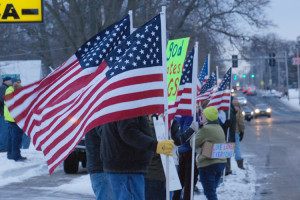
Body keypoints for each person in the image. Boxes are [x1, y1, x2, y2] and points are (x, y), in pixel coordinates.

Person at [100, 116, 174, 200]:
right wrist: (155, 145)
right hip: (127, 169)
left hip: (123, 167)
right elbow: (128, 132)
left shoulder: (123, 106)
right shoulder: (128, 106)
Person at [191, 106, 227, 200]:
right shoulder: (219, 128)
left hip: (208, 164)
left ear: (207, 117)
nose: (201, 116)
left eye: (203, 115)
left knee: (210, 194)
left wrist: (195, 130)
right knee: (212, 191)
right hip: (221, 163)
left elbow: (193, 143)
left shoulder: (205, 129)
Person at [172, 113, 200, 200]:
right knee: (190, 180)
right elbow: (185, 130)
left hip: (180, 150)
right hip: (189, 150)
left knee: (181, 178)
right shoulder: (189, 113)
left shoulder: (177, 111)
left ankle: (176, 197)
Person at [85, 126, 113, 200]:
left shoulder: (94, 119)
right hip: (101, 168)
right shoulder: (99, 121)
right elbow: (108, 138)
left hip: (98, 168)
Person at [5, 83, 27, 161]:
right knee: (16, 139)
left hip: (10, 119)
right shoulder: (14, 95)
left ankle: (10, 154)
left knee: (11, 138)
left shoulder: (8, 91)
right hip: (15, 119)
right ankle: (16, 156)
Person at [13, 79, 31, 149]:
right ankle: (25, 148)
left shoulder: (13, 95)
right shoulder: (22, 95)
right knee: (25, 133)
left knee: (19, 134)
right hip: (23, 117)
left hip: (17, 118)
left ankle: (21, 147)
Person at [232, 98, 246, 169]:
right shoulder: (239, 111)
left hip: (229, 132)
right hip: (236, 131)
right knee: (237, 147)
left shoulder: (229, 110)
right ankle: (239, 163)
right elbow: (241, 123)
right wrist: (242, 131)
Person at [0, 76, 12, 152]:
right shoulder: (3, 88)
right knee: (4, 130)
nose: (10, 82)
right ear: (6, 81)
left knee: (5, 130)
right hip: (2, 112)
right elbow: (1, 100)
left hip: (4, 112)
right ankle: (2, 147)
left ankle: (4, 146)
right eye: (9, 81)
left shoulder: (5, 88)